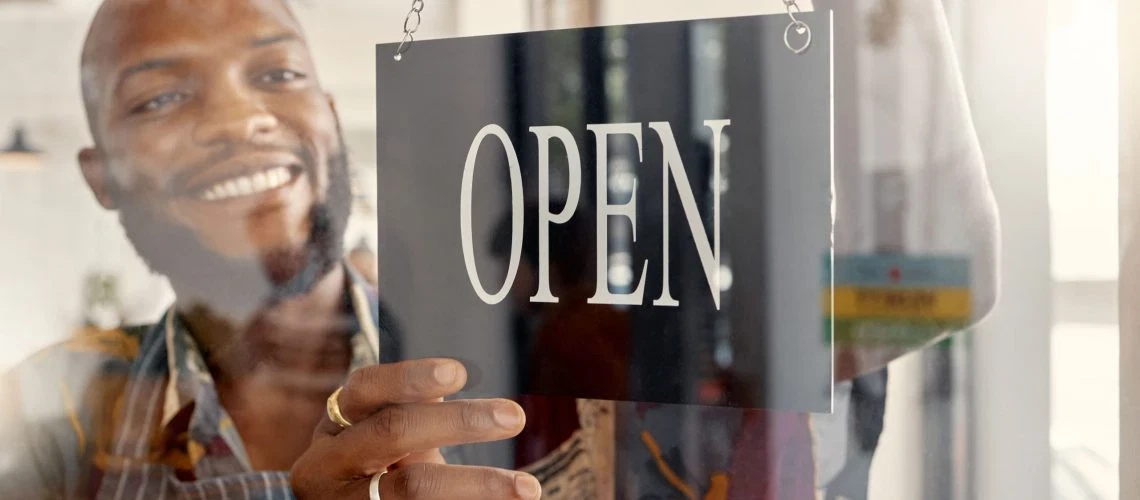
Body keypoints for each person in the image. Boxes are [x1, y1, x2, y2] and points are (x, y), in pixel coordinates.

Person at [0, 0, 542, 498]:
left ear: (331, 119)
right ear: (102, 179)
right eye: (160, 98)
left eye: (278, 74)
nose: (239, 121)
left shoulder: (514, 378)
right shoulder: (50, 416)